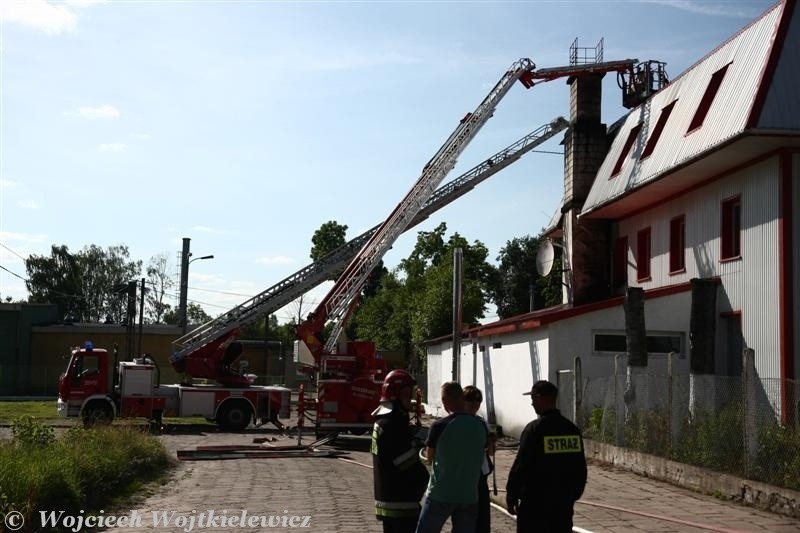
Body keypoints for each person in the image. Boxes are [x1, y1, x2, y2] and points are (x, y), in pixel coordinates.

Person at [506, 380, 588, 533]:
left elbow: (521, 465)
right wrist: (572, 495)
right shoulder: (571, 430)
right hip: (562, 504)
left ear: (540, 398)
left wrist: (512, 495)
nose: (532, 404)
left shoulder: (534, 429)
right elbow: (580, 467)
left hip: (535, 504)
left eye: (533, 399)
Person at [416, 382, 487, 533]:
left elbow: (429, 458)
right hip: (468, 495)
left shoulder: (439, 426)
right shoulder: (481, 427)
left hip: (441, 493)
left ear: (444, 400)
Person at [371, 369, 430, 533]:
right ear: (395, 394)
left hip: (389, 497)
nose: (410, 399)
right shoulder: (392, 424)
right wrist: (424, 478)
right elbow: (406, 461)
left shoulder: (384, 420)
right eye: (407, 394)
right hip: (401, 500)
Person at [463, 386, 496, 533]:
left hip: (481, 475)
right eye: (471, 399)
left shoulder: (481, 422)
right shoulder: (457, 422)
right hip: (464, 476)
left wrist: (491, 443)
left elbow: (491, 452)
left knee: (482, 518)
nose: (475, 403)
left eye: (478, 400)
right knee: (465, 519)